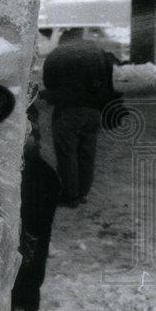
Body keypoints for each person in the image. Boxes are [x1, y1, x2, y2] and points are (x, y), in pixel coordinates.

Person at [0, 101, 62, 311]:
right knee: (25, 281)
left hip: (29, 237)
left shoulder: (34, 174)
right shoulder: (41, 173)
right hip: (30, 238)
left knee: (24, 282)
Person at [41, 27, 111, 206]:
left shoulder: (58, 55)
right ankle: (83, 193)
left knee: (67, 154)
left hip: (68, 111)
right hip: (93, 111)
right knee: (87, 153)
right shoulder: (96, 54)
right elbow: (105, 80)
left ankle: (70, 194)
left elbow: (49, 82)